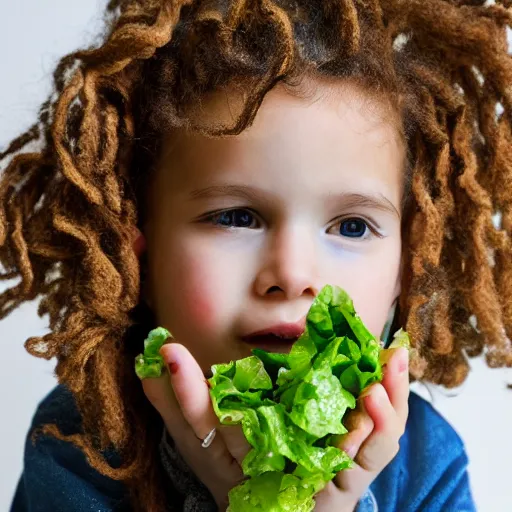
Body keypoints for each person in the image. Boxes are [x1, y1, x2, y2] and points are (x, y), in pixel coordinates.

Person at [2, 0, 511, 510]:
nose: (292, 275)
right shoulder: (78, 449)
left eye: (352, 226)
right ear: (139, 259)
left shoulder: (429, 466)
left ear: (407, 267)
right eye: (236, 217)